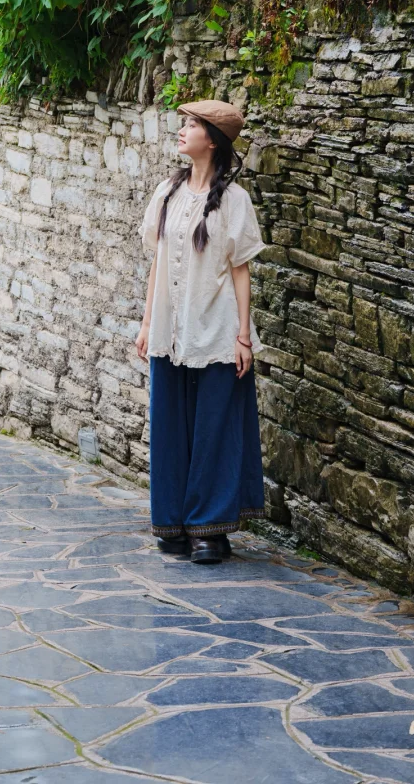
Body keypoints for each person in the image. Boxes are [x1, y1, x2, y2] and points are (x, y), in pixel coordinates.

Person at [135, 99, 266, 564]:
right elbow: (157, 262)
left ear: (211, 139)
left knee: (213, 427)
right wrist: (149, 321)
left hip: (215, 327)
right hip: (172, 327)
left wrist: (243, 336)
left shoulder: (234, 200)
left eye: (190, 125)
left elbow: (241, 271)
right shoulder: (166, 193)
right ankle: (172, 522)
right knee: (170, 424)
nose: (182, 130)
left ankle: (208, 528)